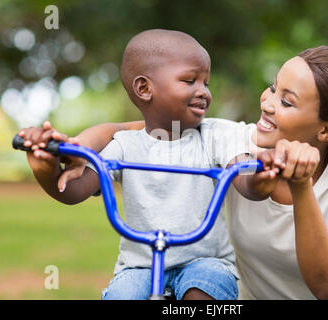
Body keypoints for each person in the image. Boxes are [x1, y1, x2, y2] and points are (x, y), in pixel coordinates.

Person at [22, 45, 328, 300]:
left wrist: (301, 188)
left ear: (327, 130)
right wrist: (71, 150)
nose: (266, 103)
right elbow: (128, 130)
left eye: (286, 101)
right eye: (272, 87)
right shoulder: (229, 138)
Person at [17, 29, 278, 300]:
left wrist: (261, 177)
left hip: (205, 261)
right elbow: (73, 191)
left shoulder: (214, 135)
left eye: (206, 83)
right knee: (122, 296)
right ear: (144, 88)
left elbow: (246, 181)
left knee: (204, 289)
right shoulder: (124, 145)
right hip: (139, 266)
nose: (203, 92)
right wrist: (45, 170)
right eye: (190, 80)